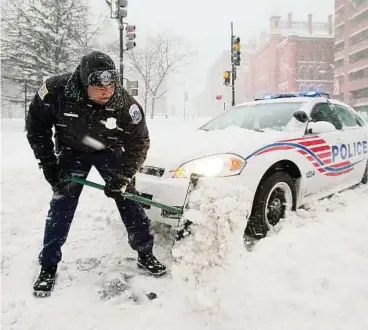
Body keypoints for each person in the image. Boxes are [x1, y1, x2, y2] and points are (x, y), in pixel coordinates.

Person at [26, 51, 167, 295]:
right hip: (72, 150)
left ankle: (145, 253)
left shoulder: (125, 104)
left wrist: (123, 177)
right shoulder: (55, 91)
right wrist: (49, 165)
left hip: (109, 150)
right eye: (99, 86)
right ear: (83, 83)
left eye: (111, 84)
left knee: (128, 199)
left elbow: (139, 143)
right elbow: (36, 125)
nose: (107, 91)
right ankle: (48, 264)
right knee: (62, 203)